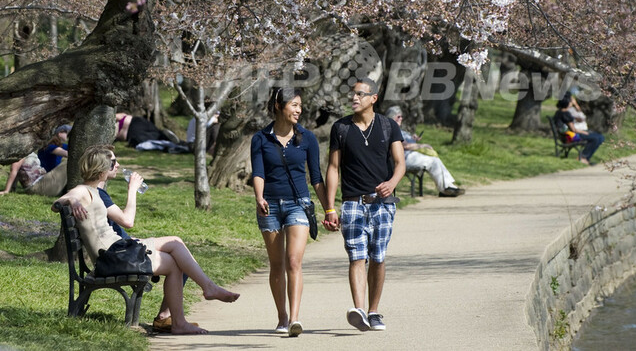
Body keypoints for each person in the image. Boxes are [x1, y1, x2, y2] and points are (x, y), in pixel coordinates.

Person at [52, 145, 239, 335]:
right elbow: (59, 202)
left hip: (118, 251)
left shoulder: (93, 191)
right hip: (113, 257)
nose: (117, 165)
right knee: (174, 252)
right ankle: (199, 298)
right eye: (113, 162)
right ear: (101, 171)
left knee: (174, 249)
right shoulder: (83, 190)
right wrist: (72, 200)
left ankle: (187, 311)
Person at [324, 78, 406, 333]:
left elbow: (400, 163)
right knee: (357, 256)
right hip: (352, 204)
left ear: (374, 98)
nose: (355, 98)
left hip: (382, 204)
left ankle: (373, 311)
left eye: (360, 94)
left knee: (378, 258)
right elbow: (333, 168)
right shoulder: (341, 128)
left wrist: (391, 183)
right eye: (353, 94)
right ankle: (359, 310)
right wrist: (330, 207)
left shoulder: (388, 126)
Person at [251, 87, 329, 338]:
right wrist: (259, 197)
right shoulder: (260, 139)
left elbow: (316, 178)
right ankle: (282, 317)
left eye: (300, 106)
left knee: (294, 261)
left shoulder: (308, 138)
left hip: (298, 204)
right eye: (294, 105)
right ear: (278, 105)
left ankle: (295, 318)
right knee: (277, 264)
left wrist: (329, 209)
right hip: (270, 205)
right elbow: (259, 172)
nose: (299, 110)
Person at [97, 163, 187, 333]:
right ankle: (205, 290)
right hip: (122, 254)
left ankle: (166, 316)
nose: (117, 165)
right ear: (100, 166)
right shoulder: (96, 194)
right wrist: (132, 190)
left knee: (180, 251)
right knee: (179, 253)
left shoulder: (97, 193)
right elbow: (128, 221)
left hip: (125, 246)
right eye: (112, 162)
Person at [384, 106, 465, 197]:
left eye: (401, 116)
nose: (401, 118)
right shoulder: (391, 130)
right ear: (392, 117)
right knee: (433, 161)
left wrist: (413, 139)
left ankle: (448, 186)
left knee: (434, 159)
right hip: (404, 159)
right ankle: (445, 188)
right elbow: (405, 145)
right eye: (398, 116)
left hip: (412, 157)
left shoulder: (400, 130)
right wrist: (422, 146)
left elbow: (406, 142)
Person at [0, 124, 70, 196]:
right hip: (37, 187)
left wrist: (13, 188)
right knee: (69, 162)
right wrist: (7, 190)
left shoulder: (29, 151)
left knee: (71, 161)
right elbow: (14, 170)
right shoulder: (21, 152)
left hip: (44, 182)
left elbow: (17, 171)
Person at [552, 94, 605, 165]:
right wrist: (583, 132)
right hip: (571, 137)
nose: (572, 103)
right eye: (571, 101)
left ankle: (585, 157)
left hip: (565, 136)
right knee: (598, 138)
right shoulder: (566, 114)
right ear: (567, 102)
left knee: (599, 137)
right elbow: (574, 130)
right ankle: (583, 157)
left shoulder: (559, 112)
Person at [115, 113, 188, 153]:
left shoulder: (112, 127)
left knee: (152, 138)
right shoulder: (114, 120)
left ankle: (177, 144)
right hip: (137, 122)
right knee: (157, 133)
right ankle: (182, 143)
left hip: (134, 131)